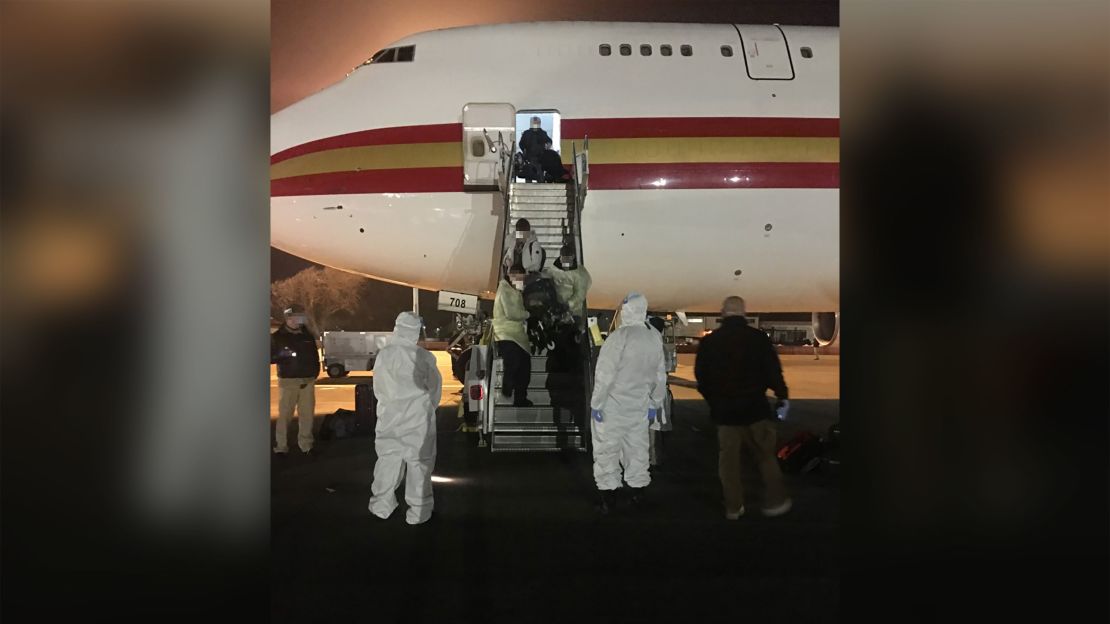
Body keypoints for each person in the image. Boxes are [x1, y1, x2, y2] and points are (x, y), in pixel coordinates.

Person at [694, 296, 792, 520]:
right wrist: (782, 396)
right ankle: (776, 501)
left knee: (728, 463)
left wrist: (714, 400)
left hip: (725, 413)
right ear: (744, 312)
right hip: (755, 409)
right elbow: (773, 371)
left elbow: (702, 378)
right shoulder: (758, 339)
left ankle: (733, 506)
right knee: (766, 457)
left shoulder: (710, 341)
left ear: (723, 312)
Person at [590, 292, 667, 513]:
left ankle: (608, 500)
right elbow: (659, 375)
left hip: (612, 408)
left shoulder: (619, 337)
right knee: (637, 452)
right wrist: (655, 403)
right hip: (640, 408)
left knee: (607, 452)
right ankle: (638, 496)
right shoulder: (653, 337)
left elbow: (604, 375)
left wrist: (597, 403)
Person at [368, 312, 443, 525]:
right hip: (418, 420)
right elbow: (435, 388)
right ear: (416, 331)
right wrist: (428, 408)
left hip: (389, 418)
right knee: (419, 464)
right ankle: (418, 511)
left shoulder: (384, 355)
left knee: (388, 461)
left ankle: (381, 505)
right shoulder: (423, 357)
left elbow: (378, 388)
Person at [271, 304, 320, 455]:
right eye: (291, 317)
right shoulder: (277, 337)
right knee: (285, 416)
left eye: (297, 317)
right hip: (288, 382)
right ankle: (281, 446)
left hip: (308, 381)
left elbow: (314, 356)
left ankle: (306, 445)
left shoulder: (307, 336)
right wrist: (283, 356)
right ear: (286, 318)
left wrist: (315, 372)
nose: (294, 321)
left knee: (307, 416)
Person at [493, 265, 533, 407]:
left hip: (517, 335)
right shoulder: (505, 290)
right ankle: (507, 389)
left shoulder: (514, 290)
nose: (522, 281)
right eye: (520, 278)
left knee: (524, 367)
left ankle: (520, 397)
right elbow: (512, 314)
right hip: (506, 334)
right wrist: (528, 314)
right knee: (514, 362)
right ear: (512, 276)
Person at [518, 116, 551, 181]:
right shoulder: (526, 133)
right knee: (528, 173)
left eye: (537, 123)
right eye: (534, 123)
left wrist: (548, 144)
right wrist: (524, 150)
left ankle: (541, 185)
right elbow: (521, 143)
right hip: (528, 157)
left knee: (540, 174)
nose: (535, 124)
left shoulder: (543, 133)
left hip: (540, 157)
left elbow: (549, 140)